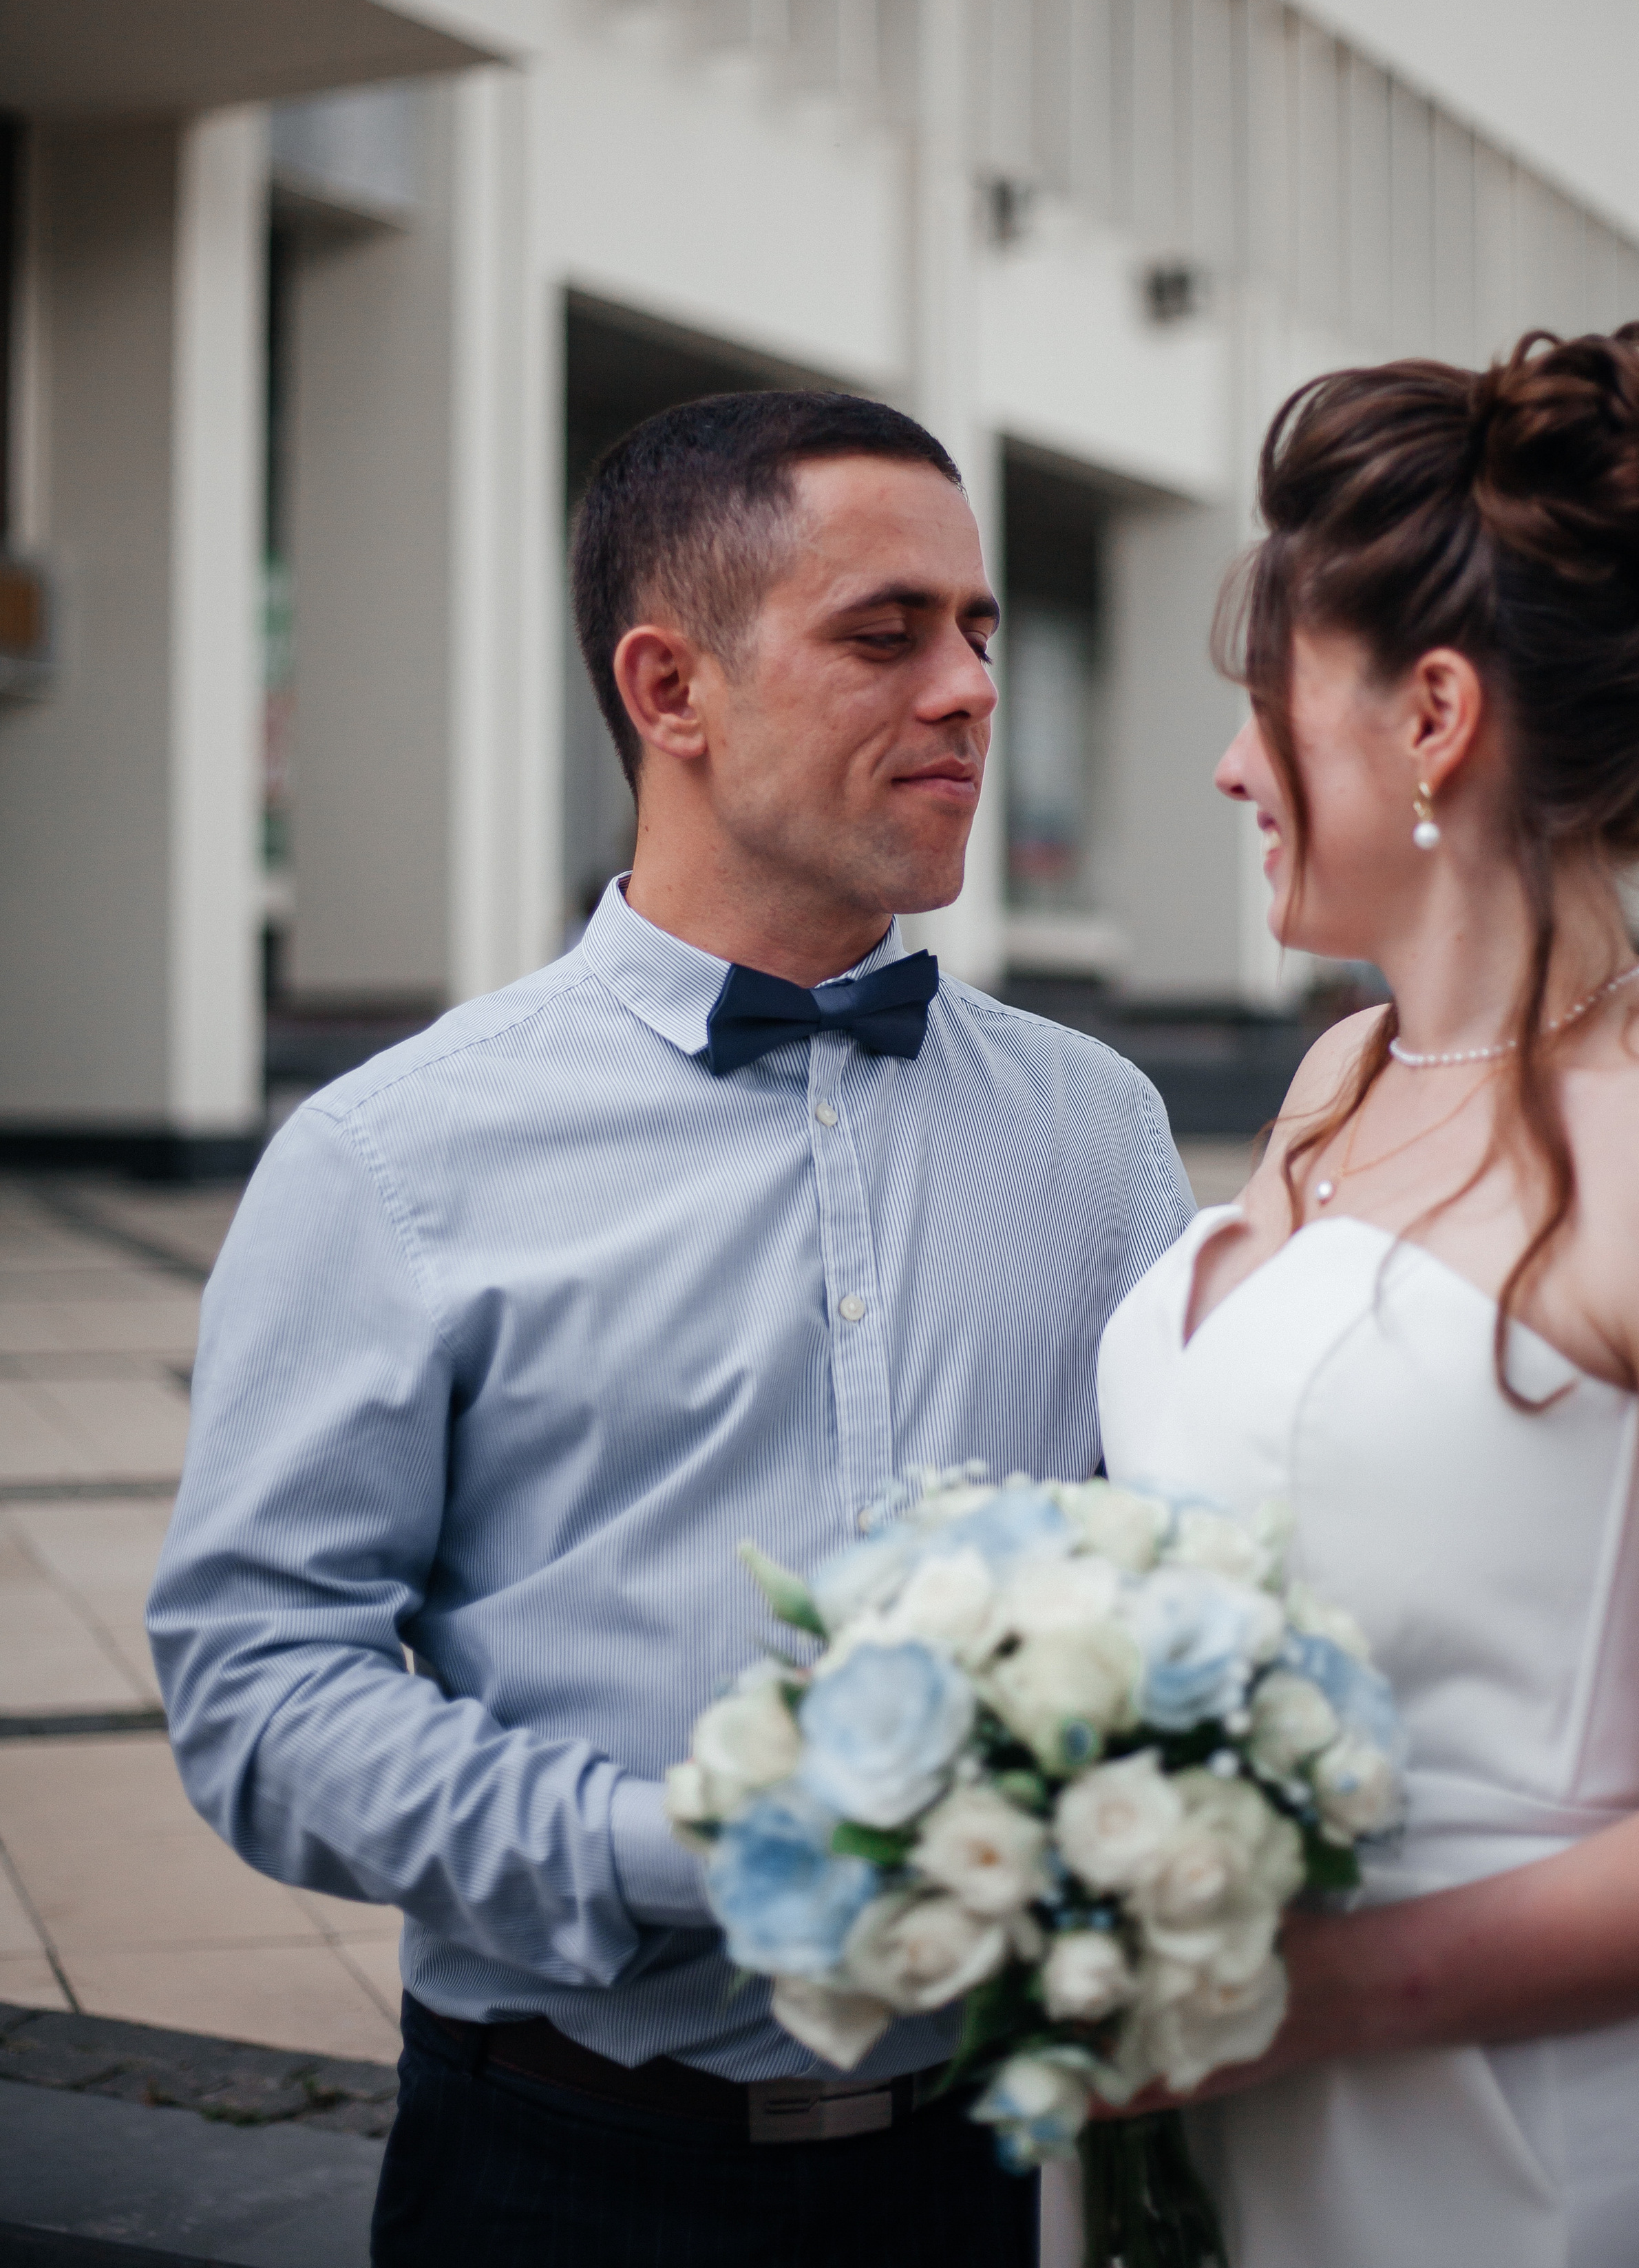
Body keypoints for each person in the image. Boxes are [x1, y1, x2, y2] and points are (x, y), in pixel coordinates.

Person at [147, 390, 1193, 2268]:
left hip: (996, 2173)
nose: (966, 688)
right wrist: (676, 1852)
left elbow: (1175, 1589)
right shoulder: (394, 1157)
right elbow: (256, 1688)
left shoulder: (1100, 1133)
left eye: (979, 633)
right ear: (670, 688)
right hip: (564, 2174)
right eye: (886, 633)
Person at [1097, 324, 1639, 2267]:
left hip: (1527, 2165)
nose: (1232, 766)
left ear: (1434, 716)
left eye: (1263, 699)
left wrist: (1318, 1998)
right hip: (1229, 2148)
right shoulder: (1338, 1081)